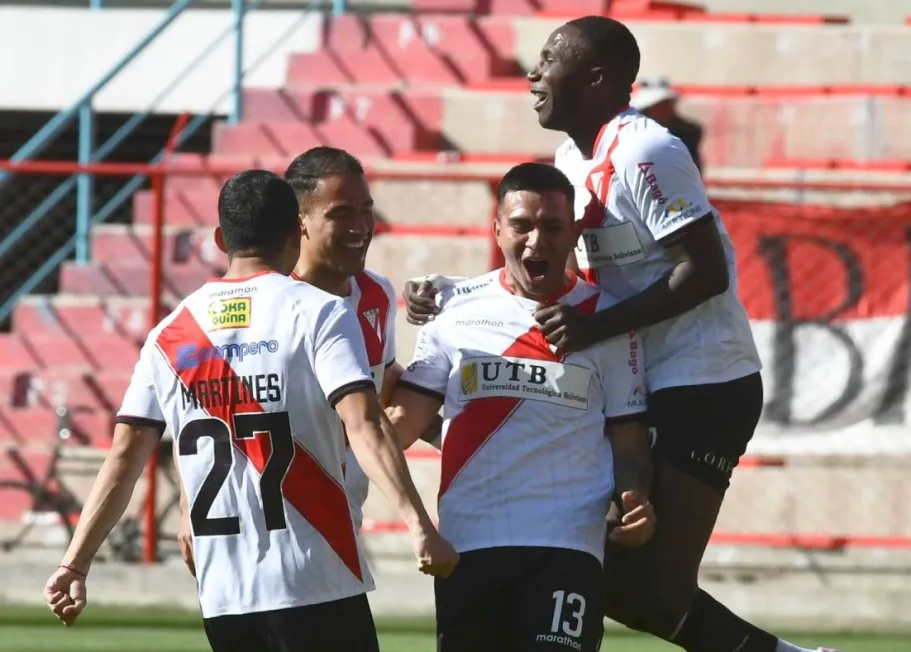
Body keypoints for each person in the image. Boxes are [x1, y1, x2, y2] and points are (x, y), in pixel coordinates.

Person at [402, 16, 838, 652]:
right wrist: (458, 292)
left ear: (597, 78)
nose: (533, 73)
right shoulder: (568, 159)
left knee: (642, 588)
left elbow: (707, 271)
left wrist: (593, 328)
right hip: (634, 378)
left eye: (550, 59)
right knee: (614, 577)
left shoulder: (647, 151)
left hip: (702, 381)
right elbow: (557, 274)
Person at [44, 170, 459, 652]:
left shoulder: (171, 333)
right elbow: (364, 423)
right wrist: (419, 526)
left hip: (224, 595)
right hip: (315, 574)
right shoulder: (319, 312)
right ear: (293, 235)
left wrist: (74, 562)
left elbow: (122, 459)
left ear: (221, 238)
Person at [387, 162, 657, 652]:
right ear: (497, 229)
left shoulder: (609, 319)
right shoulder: (451, 310)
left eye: (552, 227)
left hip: (567, 542)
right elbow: (406, 419)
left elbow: (629, 436)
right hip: (468, 542)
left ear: (575, 232)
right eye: (521, 226)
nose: (536, 241)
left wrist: (634, 496)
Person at [175, 147, 441, 573]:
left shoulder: (376, 295)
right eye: (341, 214)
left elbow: (381, 379)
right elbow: (204, 406)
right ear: (299, 224)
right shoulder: (269, 307)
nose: (360, 227)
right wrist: (190, 501)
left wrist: (451, 429)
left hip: (338, 524)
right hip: (270, 531)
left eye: (366, 210)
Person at [630, 76, 705, 175]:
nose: (665, 109)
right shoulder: (631, 132)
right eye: (658, 106)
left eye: (666, 104)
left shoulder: (687, 134)